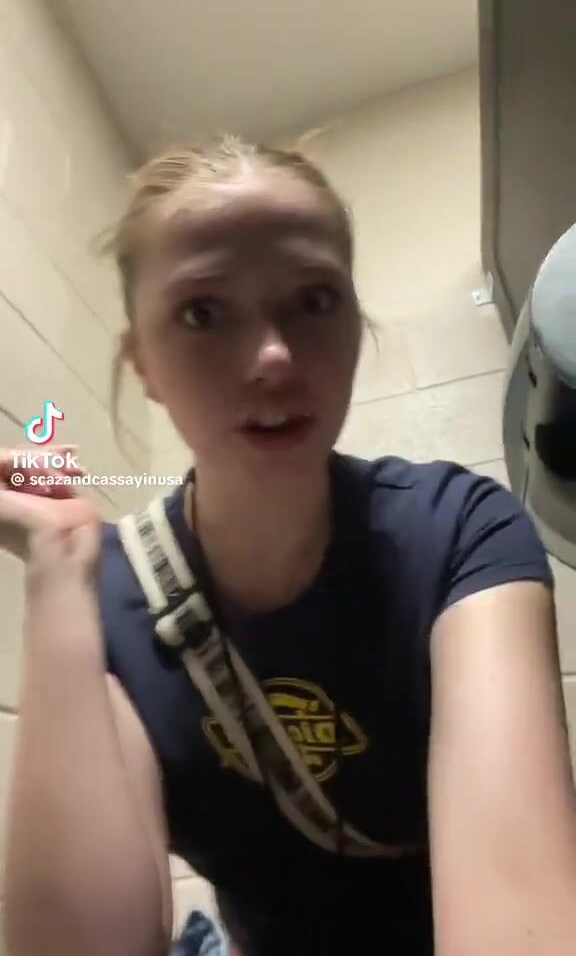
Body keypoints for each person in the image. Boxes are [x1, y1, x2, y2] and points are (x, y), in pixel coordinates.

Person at [1, 133, 576, 956]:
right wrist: (59, 572)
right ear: (144, 365)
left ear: (354, 325)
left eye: (313, 300)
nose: (273, 356)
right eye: (203, 313)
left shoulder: (457, 530)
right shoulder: (109, 596)